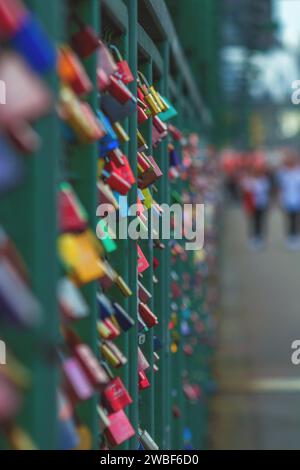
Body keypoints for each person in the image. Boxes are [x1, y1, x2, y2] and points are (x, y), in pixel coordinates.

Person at [241, 164, 271, 250]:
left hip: (261, 204)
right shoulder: (247, 181)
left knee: (260, 221)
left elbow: (265, 192)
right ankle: (253, 238)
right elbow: (245, 193)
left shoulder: (264, 180)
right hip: (251, 205)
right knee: (252, 221)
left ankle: (260, 237)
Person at [277, 151, 300, 249]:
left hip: (298, 198)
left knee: (297, 219)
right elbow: (279, 187)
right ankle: (290, 237)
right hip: (287, 199)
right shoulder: (282, 172)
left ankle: (296, 236)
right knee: (290, 218)